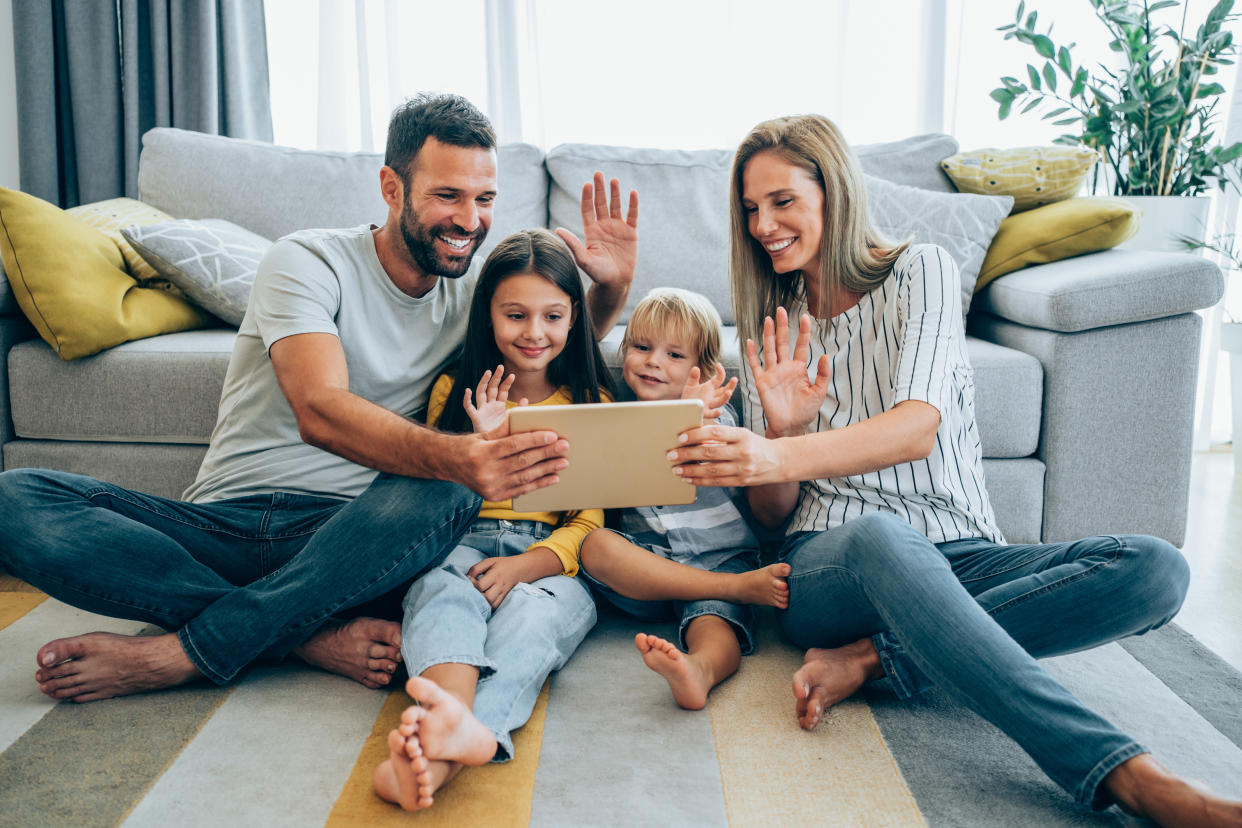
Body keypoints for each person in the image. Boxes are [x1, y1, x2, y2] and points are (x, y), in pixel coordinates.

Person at [667, 113, 1242, 827]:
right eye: (751, 209)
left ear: (835, 193)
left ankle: (876, 661)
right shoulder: (773, 319)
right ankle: (1131, 776)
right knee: (882, 537)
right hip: (830, 566)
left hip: (962, 551)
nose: (763, 225)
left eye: (782, 201)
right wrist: (782, 429)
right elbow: (774, 518)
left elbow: (918, 427)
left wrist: (776, 449)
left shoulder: (921, 270)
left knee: (1157, 570)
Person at [0, 93, 638, 703]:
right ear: (392, 188)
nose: (469, 220)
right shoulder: (307, 260)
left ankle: (185, 653)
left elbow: (544, 345)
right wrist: (460, 458)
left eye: (484, 198)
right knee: (16, 499)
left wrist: (612, 290)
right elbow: (319, 410)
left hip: (362, 539)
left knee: (450, 479)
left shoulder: (470, 300)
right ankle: (304, 635)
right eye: (448, 195)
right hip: (230, 521)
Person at [373, 228, 615, 810]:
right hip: (464, 540)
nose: (534, 333)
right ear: (488, 316)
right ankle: (450, 716)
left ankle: (439, 758)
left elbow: (590, 523)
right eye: (515, 315)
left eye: (552, 316)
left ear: (574, 317)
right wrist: (480, 446)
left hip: (551, 557)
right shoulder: (454, 390)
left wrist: (528, 567)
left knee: (536, 619)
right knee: (439, 591)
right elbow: (432, 498)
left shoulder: (593, 402)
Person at [576, 287, 789, 711]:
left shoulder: (716, 417)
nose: (654, 361)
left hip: (719, 555)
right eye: (642, 347)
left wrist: (687, 414)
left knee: (714, 624)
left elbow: (707, 455)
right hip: (649, 568)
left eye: (675, 355)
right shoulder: (614, 417)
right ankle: (736, 590)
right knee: (595, 546)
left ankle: (700, 671)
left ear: (704, 370)